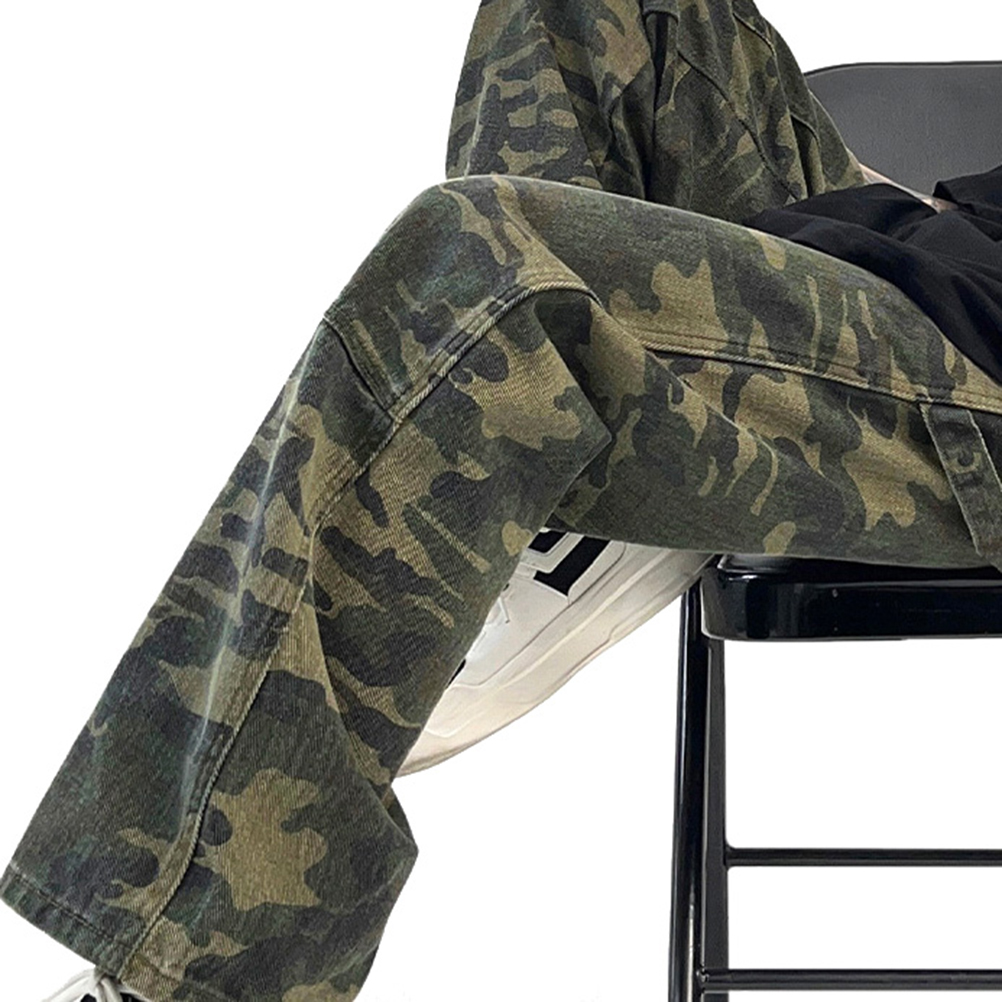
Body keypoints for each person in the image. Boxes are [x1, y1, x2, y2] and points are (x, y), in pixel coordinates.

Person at [9, 1, 1002, 1000]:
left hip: (974, 359)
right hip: (929, 245)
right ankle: (541, 479)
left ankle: (188, 981)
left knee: (485, 256)